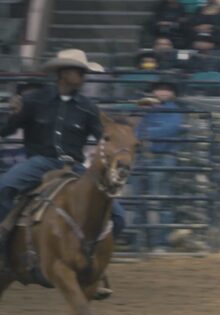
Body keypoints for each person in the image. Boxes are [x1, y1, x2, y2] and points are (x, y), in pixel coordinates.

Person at [0, 49, 126, 266]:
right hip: (40, 163)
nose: (83, 76)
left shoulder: (88, 107)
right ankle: (6, 243)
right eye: (79, 71)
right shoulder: (33, 101)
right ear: (63, 73)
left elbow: (103, 138)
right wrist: (11, 113)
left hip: (74, 166)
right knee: (4, 187)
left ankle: (96, 261)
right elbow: (6, 130)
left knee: (119, 216)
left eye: (83, 72)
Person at [135, 77, 185, 251]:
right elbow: (137, 130)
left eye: (167, 89)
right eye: (159, 89)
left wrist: (146, 134)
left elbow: (169, 130)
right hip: (147, 156)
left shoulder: (174, 111)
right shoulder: (148, 109)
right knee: (143, 198)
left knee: (159, 199)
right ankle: (143, 240)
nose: (163, 92)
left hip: (162, 156)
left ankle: (159, 242)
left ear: (172, 93)